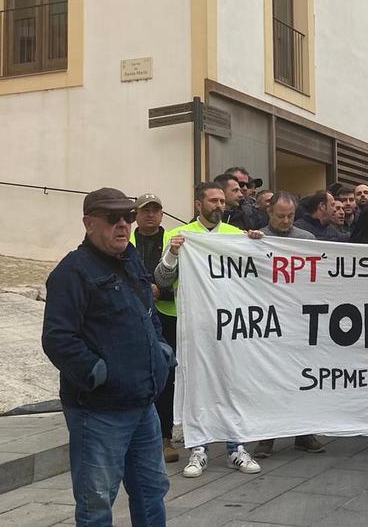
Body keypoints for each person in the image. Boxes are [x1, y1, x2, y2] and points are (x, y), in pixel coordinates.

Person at [42, 188, 173, 526]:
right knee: (97, 503)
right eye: (112, 218)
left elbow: (149, 313)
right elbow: (58, 338)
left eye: (127, 218)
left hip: (144, 406)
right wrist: (97, 372)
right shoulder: (73, 272)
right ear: (88, 224)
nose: (123, 225)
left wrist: (161, 351)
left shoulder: (130, 260)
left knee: (151, 490)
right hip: (98, 413)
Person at [154, 182, 266, 478]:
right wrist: (172, 254)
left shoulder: (235, 235)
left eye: (221, 201)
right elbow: (163, 279)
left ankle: (236, 447)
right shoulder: (177, 235)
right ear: (198, 204)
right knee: (195, 384)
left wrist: (258, 242)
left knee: (232, 384)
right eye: (213, 201)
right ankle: (198, 448)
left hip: (230, 326)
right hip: (193, 327)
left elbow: (258, 274)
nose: (219, 205)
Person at [251, 191, 326, 459]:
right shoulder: (257, 238)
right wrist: (250, 243)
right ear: (269, 214)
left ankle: (303, 432)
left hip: (299, 320)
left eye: (290, 216)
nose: (285, 221)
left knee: (301, 377)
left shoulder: (306, 240)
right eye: (280, 216)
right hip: (270, 322)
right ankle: (266, 436)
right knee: (270, 378)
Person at [127, 192, 181, 464]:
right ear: (135, 214)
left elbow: (188, 280)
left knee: (166, 375)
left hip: (167, 317)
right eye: (145, 210)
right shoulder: (125, 241)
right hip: (134, 318)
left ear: (162, 214)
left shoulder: (176, 241)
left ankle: (165, 436)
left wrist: (162, 292)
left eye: (155, 210)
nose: (150, 215)